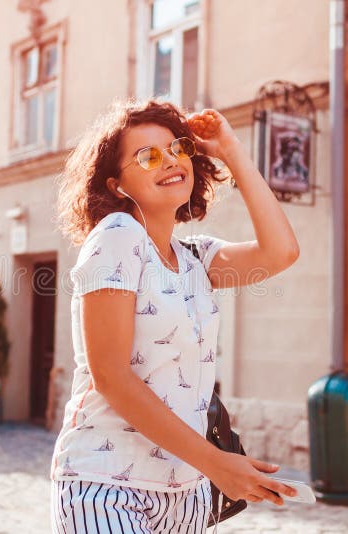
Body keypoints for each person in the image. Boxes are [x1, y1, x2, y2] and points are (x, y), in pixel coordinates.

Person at [51, 99, 300, 533]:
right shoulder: (116, 236)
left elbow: (281, 251)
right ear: (115, 185)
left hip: (186, 493)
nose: (170, 160)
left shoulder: (195, 259)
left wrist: (231, 150)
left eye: (178, 148)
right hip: (108, 486)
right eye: (147, 156)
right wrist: (218, 464)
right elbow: (110, 375)